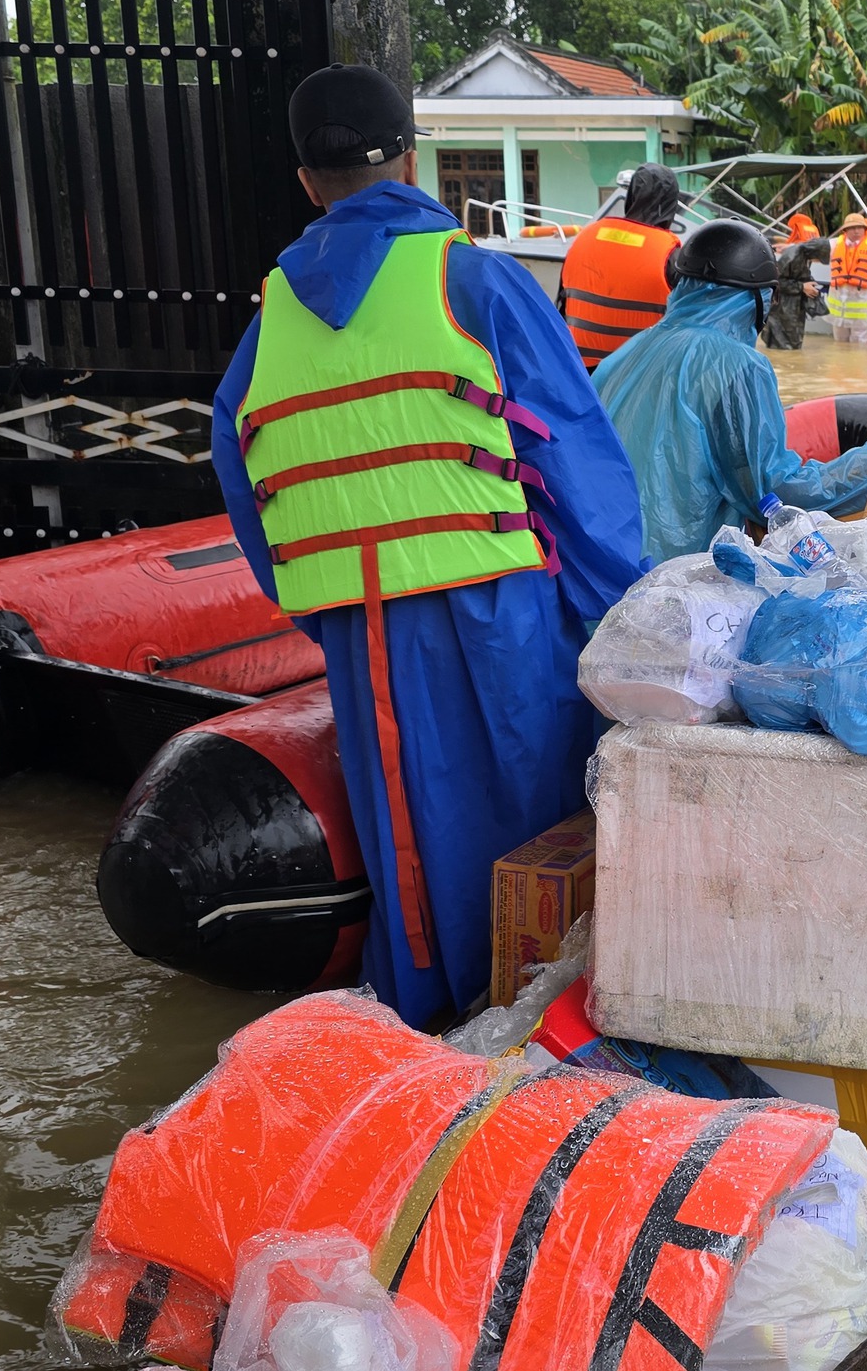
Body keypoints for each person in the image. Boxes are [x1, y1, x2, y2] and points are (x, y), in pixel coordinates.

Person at [210, 66, 647, 1030]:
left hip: (360, 634)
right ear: (412, 160)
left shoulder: (266, 327)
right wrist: (627, 624)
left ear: (306, 183)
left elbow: (248, 485)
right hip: (504, 620)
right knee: (541, 840)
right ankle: (544, 1041)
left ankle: (424, 1040)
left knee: (409, 852)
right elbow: (579, 465)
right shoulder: (476, 281)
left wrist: (326, 607)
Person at [596, 220, 867, 560]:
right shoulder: (737, 366)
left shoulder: (628, 351)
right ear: (756, 298)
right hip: (666, 565)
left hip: (599, 553)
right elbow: (772, 494)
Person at [557, 162, 681, 372]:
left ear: (630, 196)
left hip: (580, 368)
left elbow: (561, 306)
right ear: (671, 204)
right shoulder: (669, 254)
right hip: (637, 372)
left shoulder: (585, 237)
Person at [764, 232, 829, 350]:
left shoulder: (804, 257)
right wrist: (802, 287)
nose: (818, 261)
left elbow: (801, 276)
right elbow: (776, 282)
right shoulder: (792, 256)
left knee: (793, 344)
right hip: (782, 308)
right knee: (783, 345)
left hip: (793, 306)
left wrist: (809, 285)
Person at [827, 212, 867, 343]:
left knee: (859, 346)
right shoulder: (834, 244)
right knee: (839, 344)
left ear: (864, 229)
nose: (856, 231)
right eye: (852, 228)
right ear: (845, 230)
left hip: (860, 311)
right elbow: (812, 250)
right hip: (838, 312)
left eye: (859, 227)